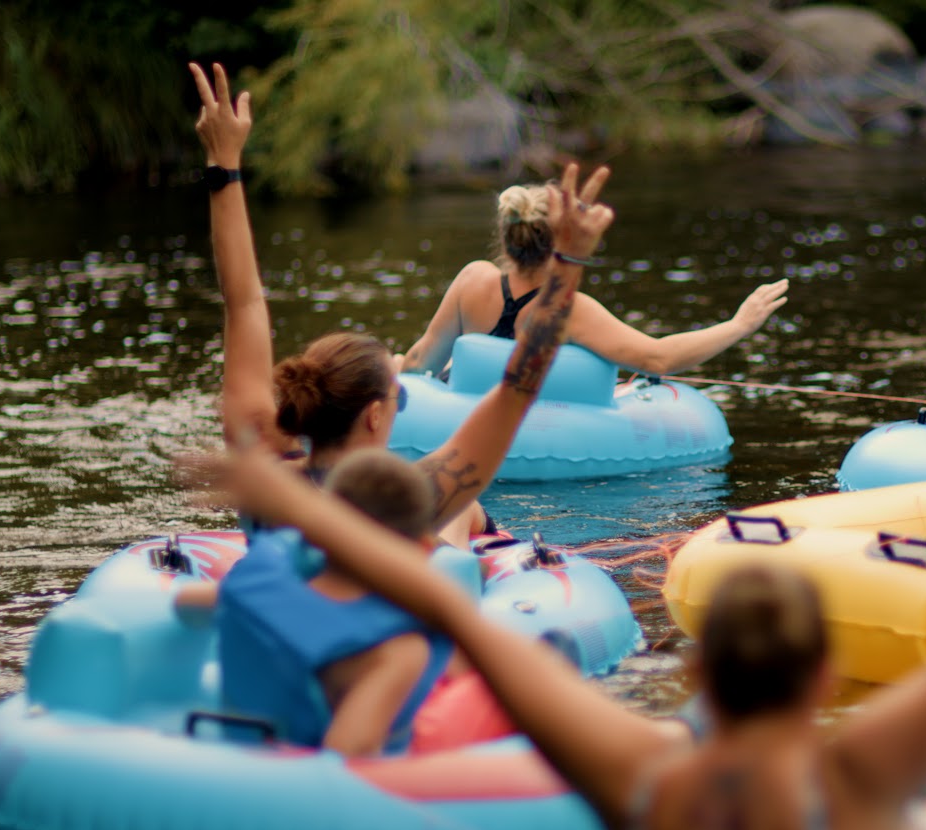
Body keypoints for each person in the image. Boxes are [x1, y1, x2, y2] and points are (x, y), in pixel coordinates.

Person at [190, 437, 926, 830]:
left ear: (696, 667)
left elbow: (452, 611)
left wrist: (288, 503)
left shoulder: (645, 783)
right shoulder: (856, 770)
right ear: (825, 674)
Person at [188, 62, 614, 547]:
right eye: (397, 396)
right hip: (390, 603)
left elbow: (242, 304)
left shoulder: (261, 479)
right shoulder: (411, 499)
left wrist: (224, 165)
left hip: (283, 605)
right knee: (465, 513)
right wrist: (570, 259)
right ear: (374, 416)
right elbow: (519, 388)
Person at [177, 449, 511, 756]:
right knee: (490, 689)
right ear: (423, 549)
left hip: (234, 744)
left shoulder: (254, 585)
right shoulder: (399, 651)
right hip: (295, 793)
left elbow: (186, 605)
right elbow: (343, 764)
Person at [398, 182, 789, 379]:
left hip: (456, 420)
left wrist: (395, 378)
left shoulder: (472, 280)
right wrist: (740, 324)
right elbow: (658, 358)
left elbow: (418, 361)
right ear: (564, 242)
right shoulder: (569, 310)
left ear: (506, 236)